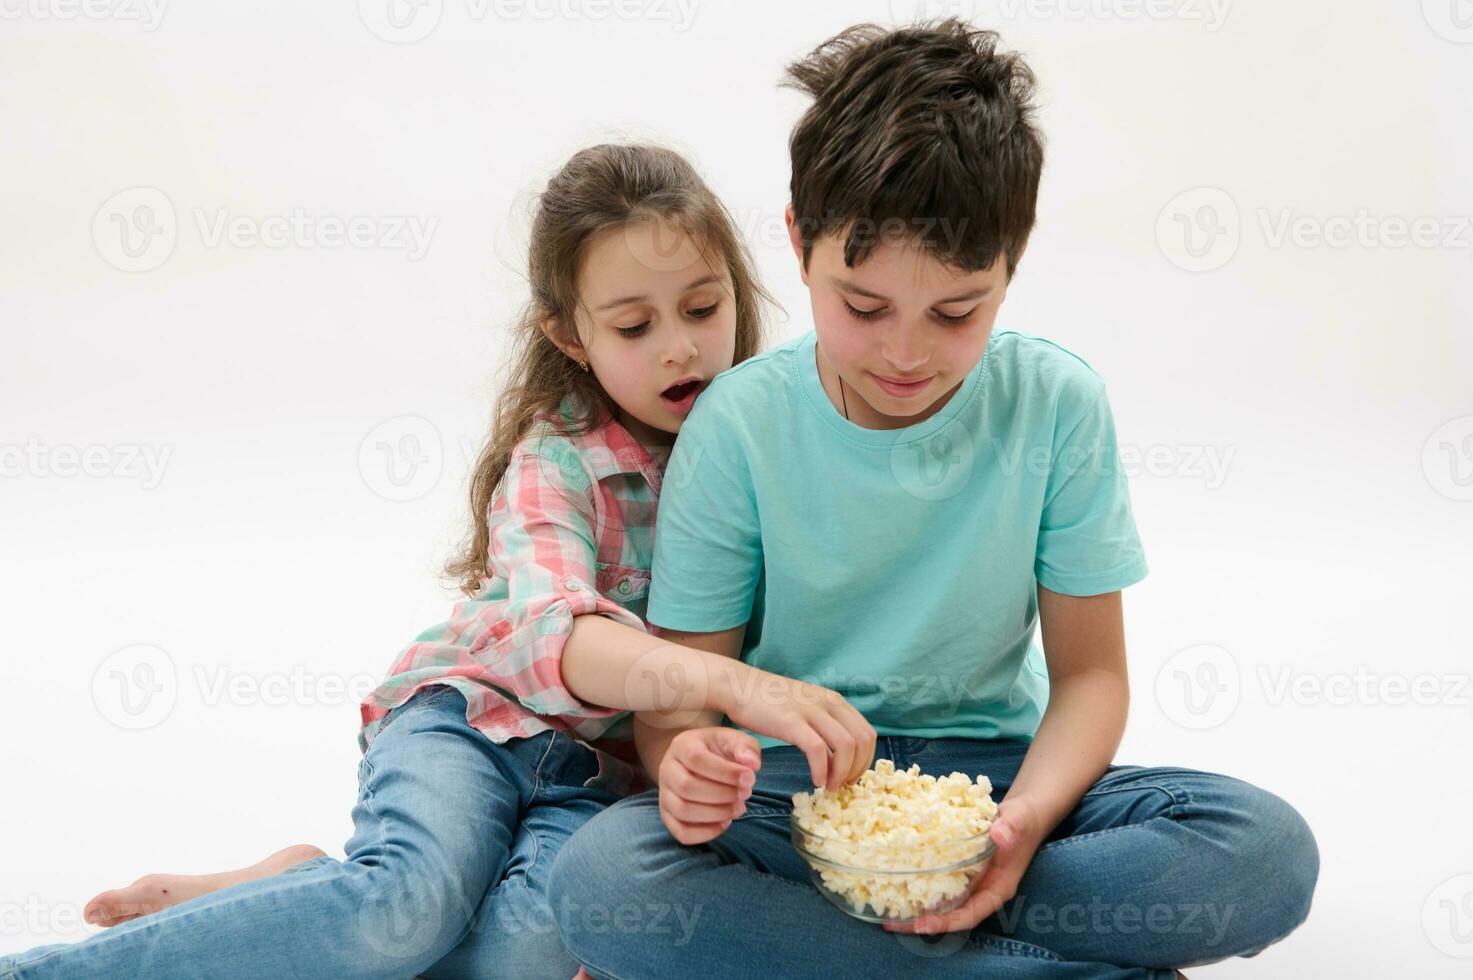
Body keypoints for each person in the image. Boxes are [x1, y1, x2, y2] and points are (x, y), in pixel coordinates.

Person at [547, 21, 1319, 980]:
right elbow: (683, 702)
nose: (904, 354)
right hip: (797, 794)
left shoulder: (1056, 405)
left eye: (955, 312)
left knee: (1265, 852)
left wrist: (1018, 832)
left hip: (997, 783)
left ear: (1013, 260)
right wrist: (687, 769)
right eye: (862, 306)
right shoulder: (738, 425)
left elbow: (1091, 678)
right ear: (796, 240)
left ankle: (875, 946)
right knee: (602, 881)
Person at [0, 143, 875, 980]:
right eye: (634, 325)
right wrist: (724, 687)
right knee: (406, 906)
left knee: (526, 957)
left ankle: (290, 894)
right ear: (570, 336)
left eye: (701, 307)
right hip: (472, 723)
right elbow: (554, 634)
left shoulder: (755, 450)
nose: (679, 347)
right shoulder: (555, 460)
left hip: (595, 777)